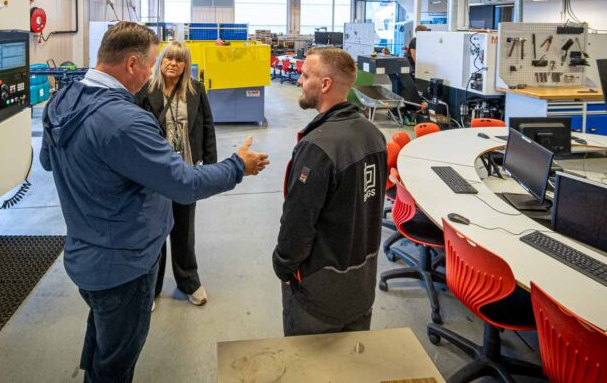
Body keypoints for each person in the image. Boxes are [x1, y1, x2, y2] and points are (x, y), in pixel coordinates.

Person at [40, 22, 269, 383]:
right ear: (132, 64)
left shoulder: (63, 101)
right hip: (124, 265)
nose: (152, 71)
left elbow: (49, 162)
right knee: (117, 364)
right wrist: (238, 166)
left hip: (85, 254)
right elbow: (184, 183)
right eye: (150, 63)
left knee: (104, 341)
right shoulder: (126, 121)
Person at [272, 47, 387, 336]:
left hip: (319, 296)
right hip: (361, 286)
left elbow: (298, 221)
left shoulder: (317, 148)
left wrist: (283, 266)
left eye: (305, 75)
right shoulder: (374, 135)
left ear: (324, 85)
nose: (299, 81)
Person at [136, 41, 214, 306]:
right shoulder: (146, 91)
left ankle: (188, 282)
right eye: (169, 58)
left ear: (185, 64)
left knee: (184, 229)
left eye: (180, 60)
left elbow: (207, 125)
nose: (174, 64)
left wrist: (211, 165)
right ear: (160, 61)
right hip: (155, 172)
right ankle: (152, 288)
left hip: (185, 171)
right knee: (155, 231)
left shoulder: (195, 90)